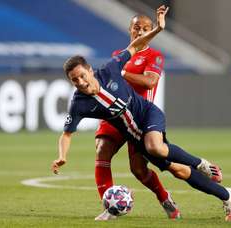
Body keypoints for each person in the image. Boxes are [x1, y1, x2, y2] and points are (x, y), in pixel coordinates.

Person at [51, 5, 231, 222]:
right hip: (128, 128)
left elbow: (144, 69)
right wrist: (62, 157)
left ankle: (201, 164)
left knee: (154, 148)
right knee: (175, 170)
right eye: (75, 80)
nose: (81, 82)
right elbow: (66, 134)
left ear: (90, 70)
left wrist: (159, 29)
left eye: (83, 76)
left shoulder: (113, 67)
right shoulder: (79, 103)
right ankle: (227, 195)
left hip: (147, 114)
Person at [94, 13, 222, 220]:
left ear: (150, 31)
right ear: (130, 29)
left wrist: (123, 74)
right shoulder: (118, 54)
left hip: (140, 119)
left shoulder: (155, 56)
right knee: (102, 151)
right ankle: (109, 208)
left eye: (145, 28)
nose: (141, 31)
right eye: (137, 27)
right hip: (116, 114)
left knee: (138, 170)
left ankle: (164, 197)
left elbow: (149, 82)